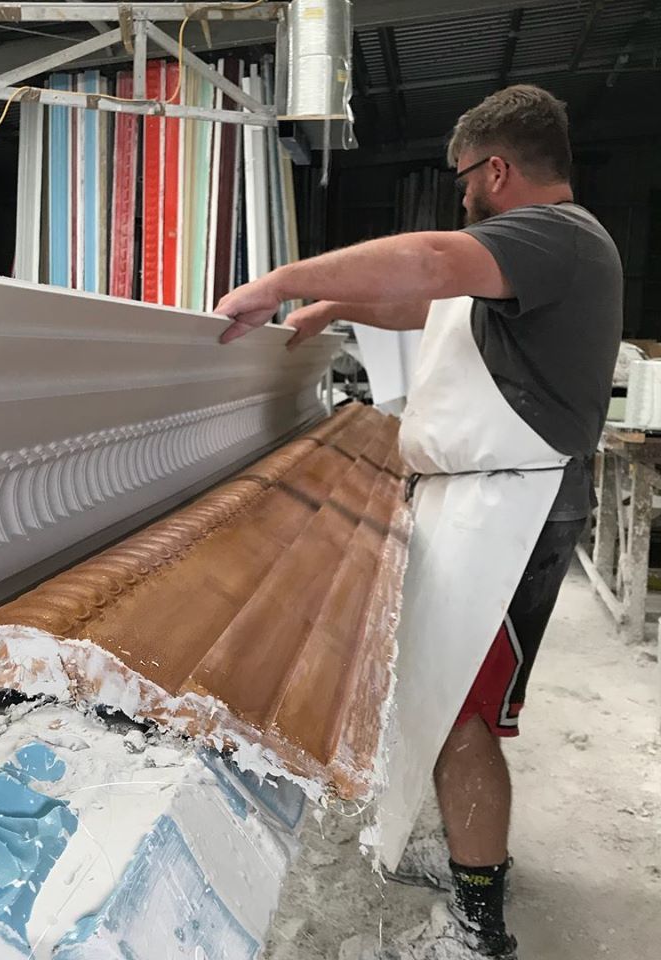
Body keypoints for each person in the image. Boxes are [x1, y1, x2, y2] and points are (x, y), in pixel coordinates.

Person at [215, 85, 623, 959]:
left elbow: (432, 265)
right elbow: (428, 304)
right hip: (483, 498)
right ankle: (472, 862)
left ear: (497, 170)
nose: (461, 194)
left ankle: (480, 927)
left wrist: (281, 281)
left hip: (509, 509)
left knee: (462, 713)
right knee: (446, 700)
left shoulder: (556, 236)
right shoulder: (529, 264)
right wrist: (339, 307)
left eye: (464, 178)